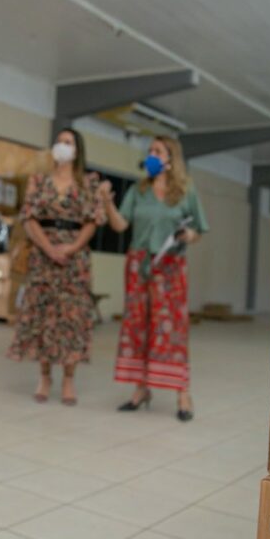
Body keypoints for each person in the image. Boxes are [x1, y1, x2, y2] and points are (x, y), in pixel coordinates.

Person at [99, 136, 208, 422]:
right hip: (140, 264)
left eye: (157, 151)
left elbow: (199, 229)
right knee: (138, 325)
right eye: (149, 151)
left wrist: (188, 235)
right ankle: (141, 389)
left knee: (172, 328)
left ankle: (183, 392)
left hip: (171, 265)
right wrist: (107, 203)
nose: (151, 155)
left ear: (171, 158)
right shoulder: (139, 190)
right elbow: (120, 224)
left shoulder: (186, 190)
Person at [8, 128, 103, 405]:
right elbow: (29, 218)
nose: (62, 145)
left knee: (72, 317)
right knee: (44, 316)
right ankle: (45, 376)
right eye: (59, 141)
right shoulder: (39, 181)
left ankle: (69, 379)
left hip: (75, 259)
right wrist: (49, 248)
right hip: (43, 256)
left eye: (68, 142)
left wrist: (71, 248)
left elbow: (93, 221)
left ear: (77, 150)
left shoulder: (88, 183)